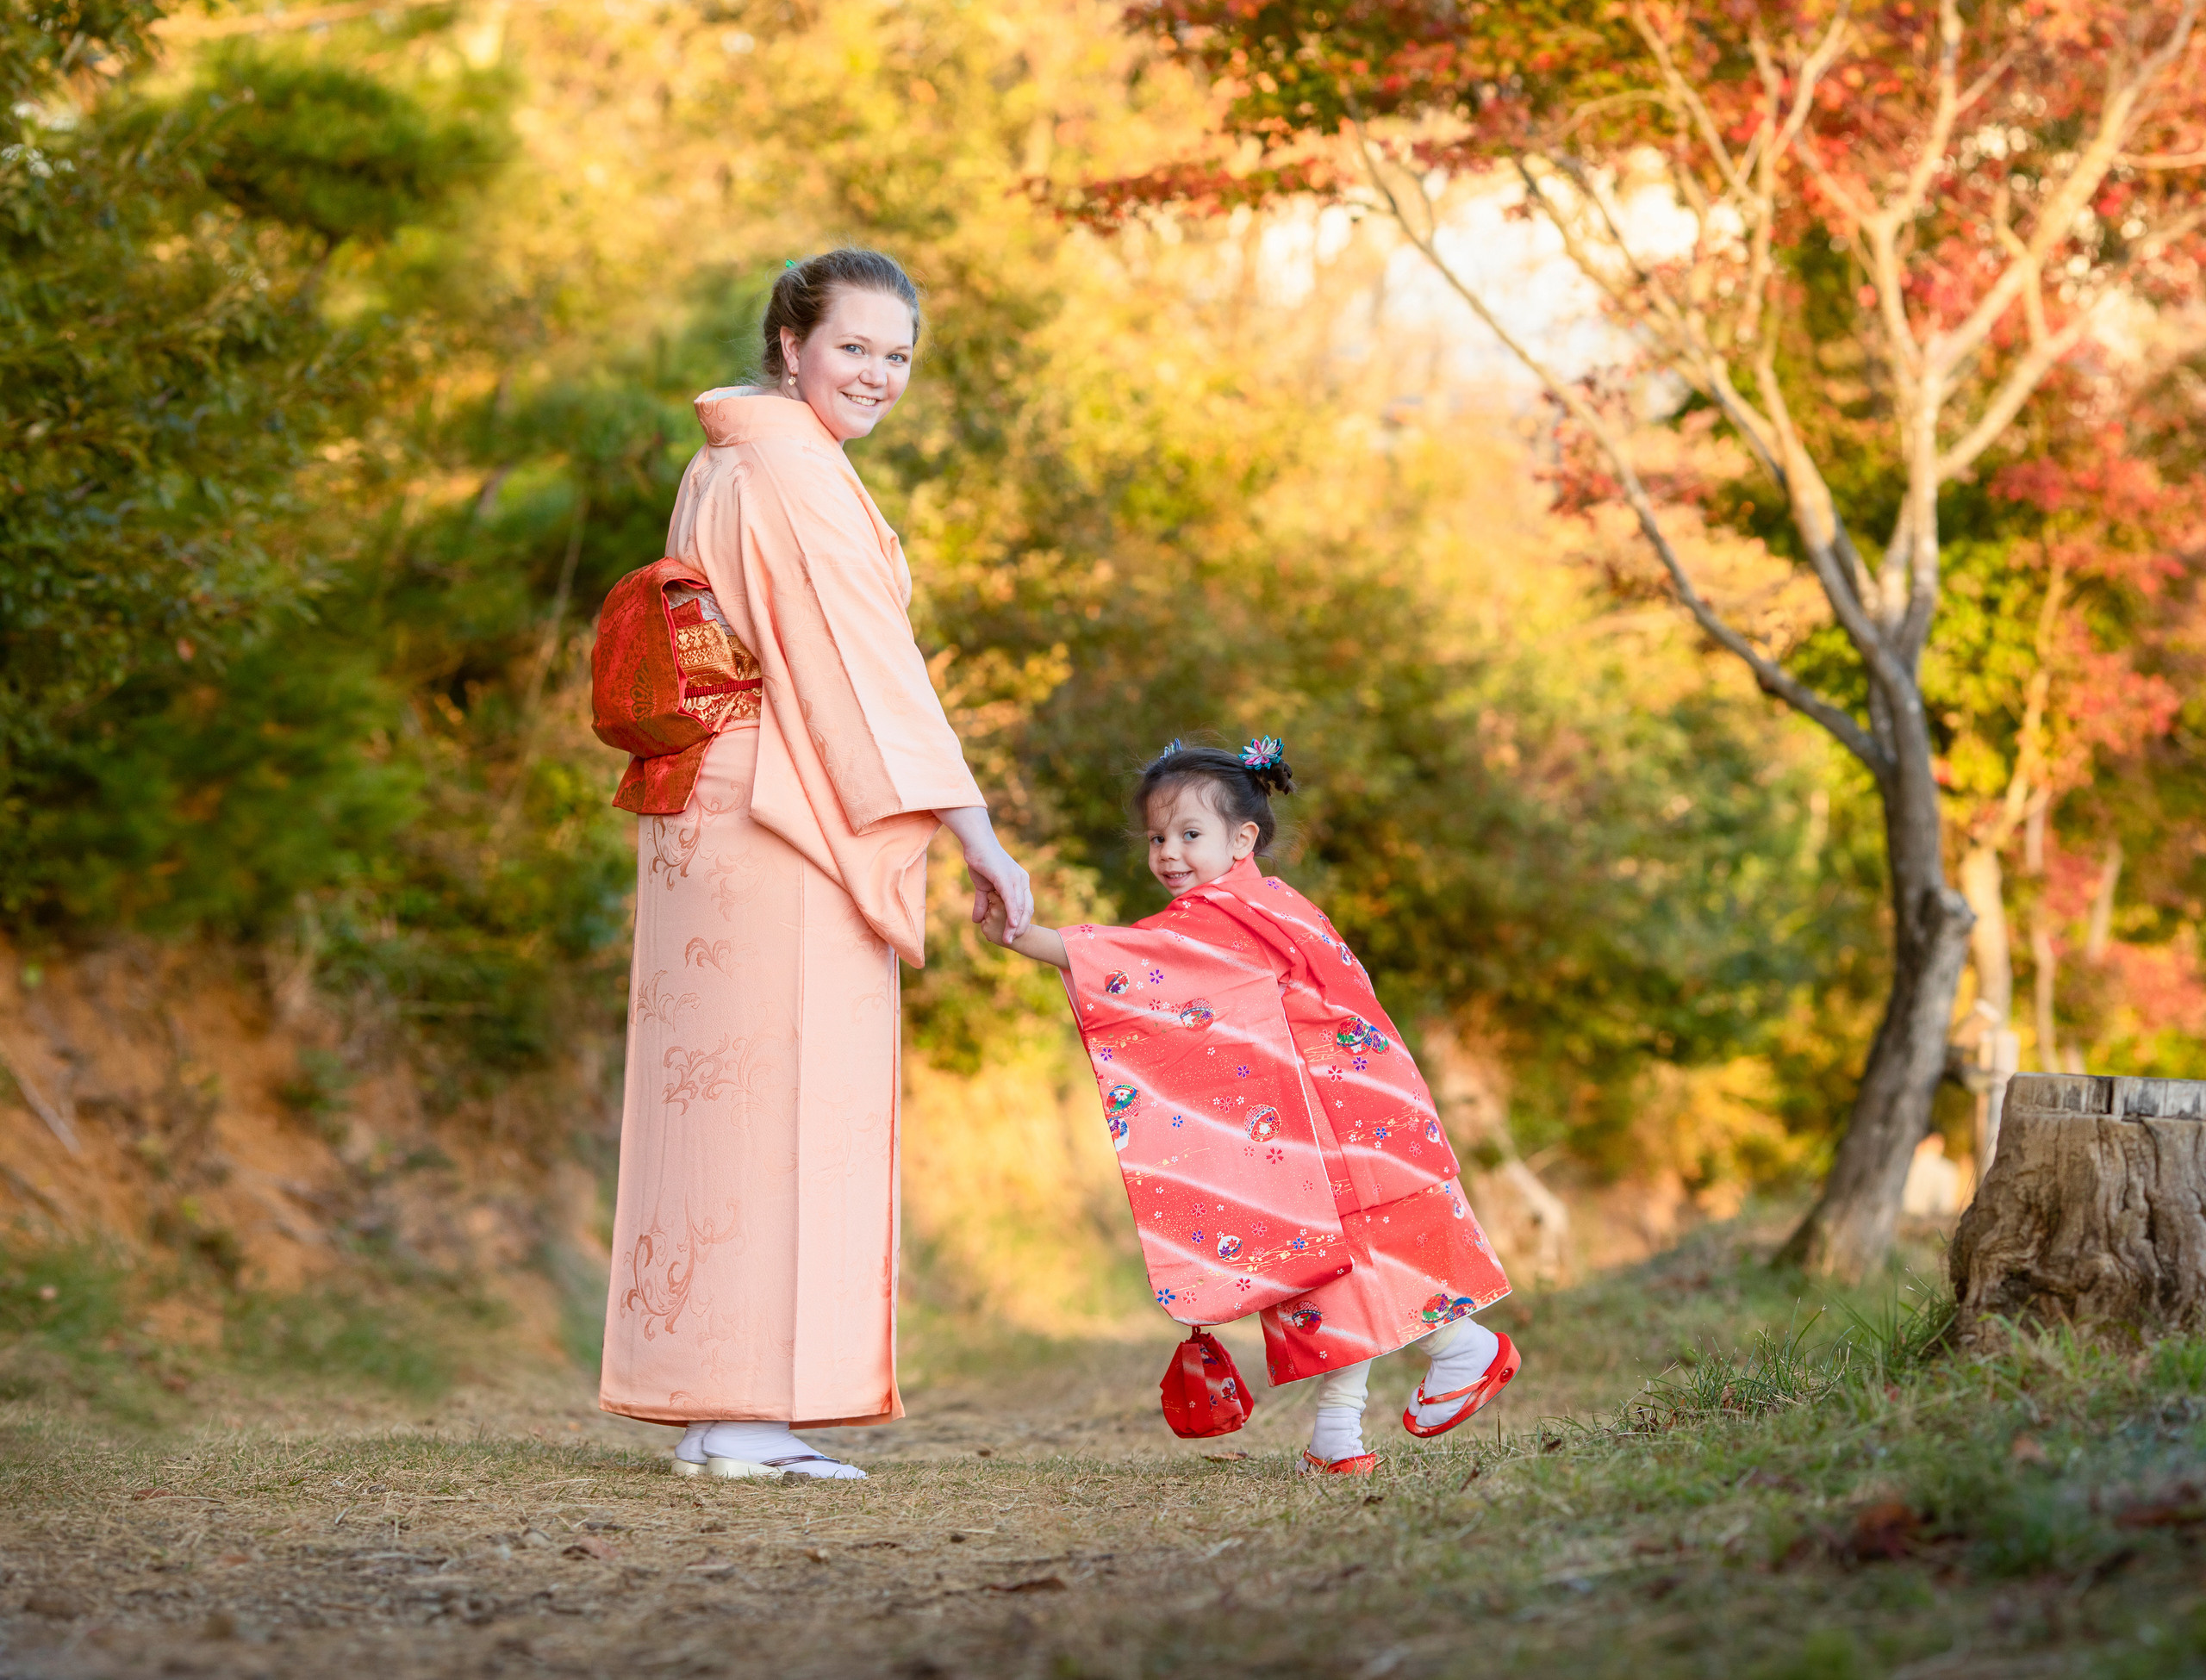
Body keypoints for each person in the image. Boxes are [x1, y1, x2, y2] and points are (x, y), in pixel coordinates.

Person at [595, 248, 1032, 1480]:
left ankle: (718, 1408)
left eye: (899, 356)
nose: (879, 375)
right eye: (855, 347)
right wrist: (973, 828)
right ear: (791, 344)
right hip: (781, 810)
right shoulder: (792, 469)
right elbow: (865, 669)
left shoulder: (734, 454)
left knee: (719, 1101)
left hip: (714, 805)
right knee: (775, 1099)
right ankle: (743, 1416)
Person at [980, 738, 1518, 1473]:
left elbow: (1135, 963)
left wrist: (1021, 937)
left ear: (1243, 839)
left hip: (1325, 1121)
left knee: (1332, 1268)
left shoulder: (1225, 913)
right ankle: (1340, 1436)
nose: (1169, 853)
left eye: (1189, 835)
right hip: (1353, 1106)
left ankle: (1460, 1350)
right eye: (1157, 838)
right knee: (1335, 1272)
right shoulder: (1271, 902)